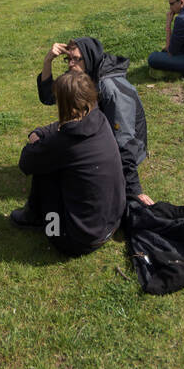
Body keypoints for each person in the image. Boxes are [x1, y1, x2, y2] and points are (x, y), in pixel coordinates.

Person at [12, 69, 126, 256]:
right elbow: (61, 128)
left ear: (65, 105)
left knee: (45, 169)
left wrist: (37, 141)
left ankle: (34, 217)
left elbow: (26, 162)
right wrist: (41, 132)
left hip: (76, 240)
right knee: (51, 161)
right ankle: (35, 215)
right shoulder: (99, 119)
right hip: (112, 224)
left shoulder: (62, 144)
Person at [37, 37, 150, 205]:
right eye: (69, 59)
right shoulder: (83, 74)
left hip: (123, 150)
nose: (70, 64)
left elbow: (126, 142)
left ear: (89, 58)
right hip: (98, 136)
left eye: (76, 59)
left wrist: (135, 191)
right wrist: (48, 61)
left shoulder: (111, 89)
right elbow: (48, 97)